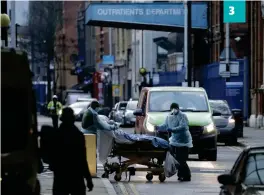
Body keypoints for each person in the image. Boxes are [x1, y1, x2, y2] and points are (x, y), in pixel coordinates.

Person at [51, 107, 93, 195]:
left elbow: (51, 156)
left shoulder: (56, 135)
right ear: (73, 119)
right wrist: (88, 179)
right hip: (76, 176)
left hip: (60, 176)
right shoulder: (78, 135)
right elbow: (82, 159)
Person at [155, 103, 193, 182]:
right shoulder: (169, 116)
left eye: (175, 108)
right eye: (173, 108)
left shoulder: (183, 116)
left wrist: (172, 129)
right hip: (175, 140)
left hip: (183, 140)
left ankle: (186, 176)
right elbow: (165, 125)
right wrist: (159, 127)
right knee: (176, 159)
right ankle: (181, 175)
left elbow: (183, 127)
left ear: (178, 108)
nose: (174, 110)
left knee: (182, 159)